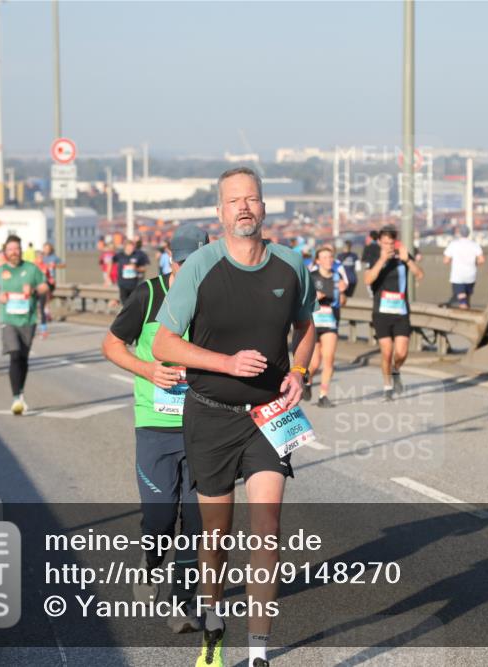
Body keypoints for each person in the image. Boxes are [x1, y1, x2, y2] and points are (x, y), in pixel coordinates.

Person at [152, 167, 316, 667]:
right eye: (233, 200)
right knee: (216, 535)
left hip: (269, 415)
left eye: (252, 198)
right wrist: (226, 363)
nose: (244, 207)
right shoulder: (200, 267)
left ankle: (259, 651)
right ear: (220, 212)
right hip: (211, 415)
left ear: (264, 206)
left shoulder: (291, 265)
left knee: (268, 527)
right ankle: (213, 625)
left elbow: (306, 325)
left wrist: (300, 370)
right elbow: (164, 344)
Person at [102, 224, 210, 634]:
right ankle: (150, 563)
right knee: (160, 518)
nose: (189, 271)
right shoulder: (148, 295)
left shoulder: (217, 300)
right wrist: (148, 370)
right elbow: (111, 345)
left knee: (197, 522)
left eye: (198, 263)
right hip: (155, 426)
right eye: (183, 263)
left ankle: (183, 603)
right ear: (170, 259)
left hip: (204, 427)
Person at [0, 234, 49, 415]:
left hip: (28, 320)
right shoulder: (0, 271)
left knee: (23, 358)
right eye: (10, 249)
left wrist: (34, 290)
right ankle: (16, 398)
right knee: (14, 355)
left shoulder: (31, 269)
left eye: (16, 248)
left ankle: (20, 392)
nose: (14, 252)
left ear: (21, 250)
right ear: (5, 252)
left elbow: (45, 286)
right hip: (8, 320)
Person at [364, 224, 424, 402]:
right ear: (379, 242)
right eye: (385, 243)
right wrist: (382, 260)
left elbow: (420, 274)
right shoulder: (373, 255)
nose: (388, 246)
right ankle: (387, 386)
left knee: (402, 352)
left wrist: (408, 261)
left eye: (391, 243)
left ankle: (396, 370)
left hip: (401, 311)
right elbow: (367, 279)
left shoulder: (402, 255)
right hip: (381, 312)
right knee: (387, 352)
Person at [306, 245, 346, 407]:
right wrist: (314, 297)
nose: (328, 260)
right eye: (324, 257)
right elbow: (301, 300)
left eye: (330, 257)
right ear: (317, 261)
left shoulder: (337, 277)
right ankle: (308, 381)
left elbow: (342, 302)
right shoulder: (311, 277)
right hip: (313, 322)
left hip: (330, 321)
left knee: (329, 360)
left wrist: (342, 292)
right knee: (315, 363)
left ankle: (323, 396)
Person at [443, 225, 484, 309]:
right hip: (471, 276)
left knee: (462, 301)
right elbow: (481, 260)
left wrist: (454, 261)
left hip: (458, 276)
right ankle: (467, 312)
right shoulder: (474, 244)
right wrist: (474, 263)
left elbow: (446, 260)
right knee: (467, 299)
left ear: (459, 233)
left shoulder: (454, 244)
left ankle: (464, 315)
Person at [114, 239, 150, 305]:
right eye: (129, 247)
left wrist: (136, 268)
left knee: (133, 304)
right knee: (125, 304)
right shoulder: (119, 255)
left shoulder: (138, 256)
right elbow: (111, 262)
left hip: (134, 284)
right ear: (125, 247)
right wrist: (109, 276)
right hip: (122, 284)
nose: (131, 249)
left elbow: (144, 268)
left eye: (132, 247)